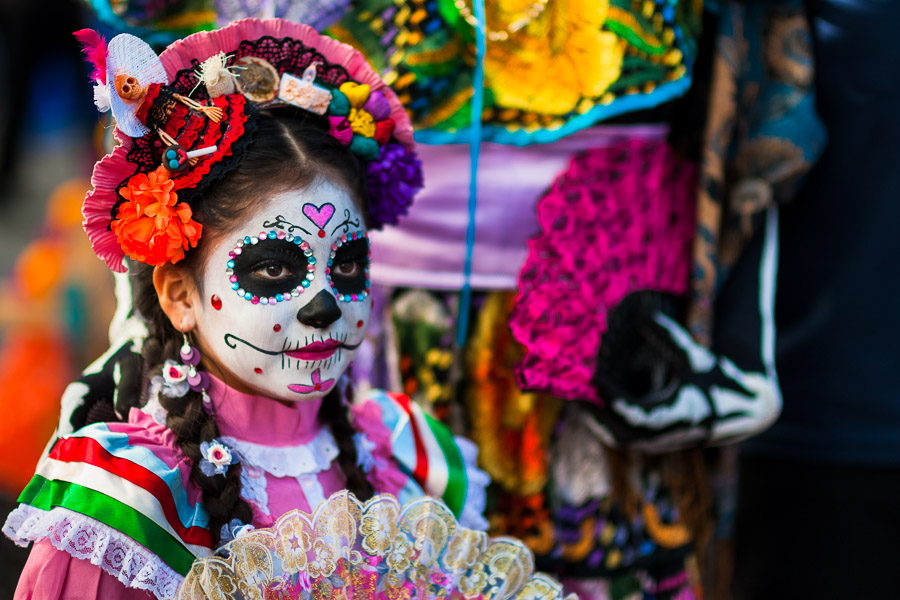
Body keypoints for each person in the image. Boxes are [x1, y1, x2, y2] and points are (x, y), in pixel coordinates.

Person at [3, 19, 487, 599]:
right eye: (276, 268)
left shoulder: (409, 458)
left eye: (348, 265)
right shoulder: (127, 504)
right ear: (180, 296)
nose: (325, 306)